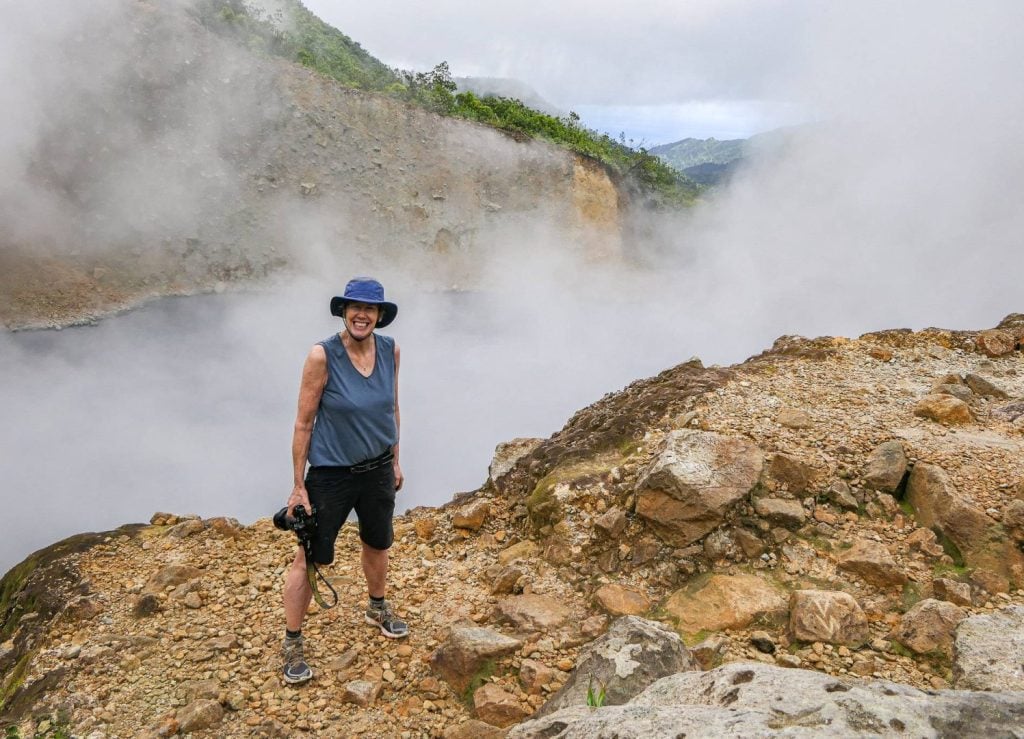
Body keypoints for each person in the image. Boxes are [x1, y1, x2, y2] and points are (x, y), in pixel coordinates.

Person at [281, 277, 408, 685]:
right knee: (310, 556)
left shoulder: (391, 350)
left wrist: (394, 461)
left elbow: (392, 409)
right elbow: (304, 423)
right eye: (355, 307)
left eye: (369, 309)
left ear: (379, 316)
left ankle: (377, 606)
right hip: (331, 474)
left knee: (377, 540)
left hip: (376, 470)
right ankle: (293, 642)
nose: (362, 315)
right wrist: (299, 487)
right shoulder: (323, 356)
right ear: (343, 311)